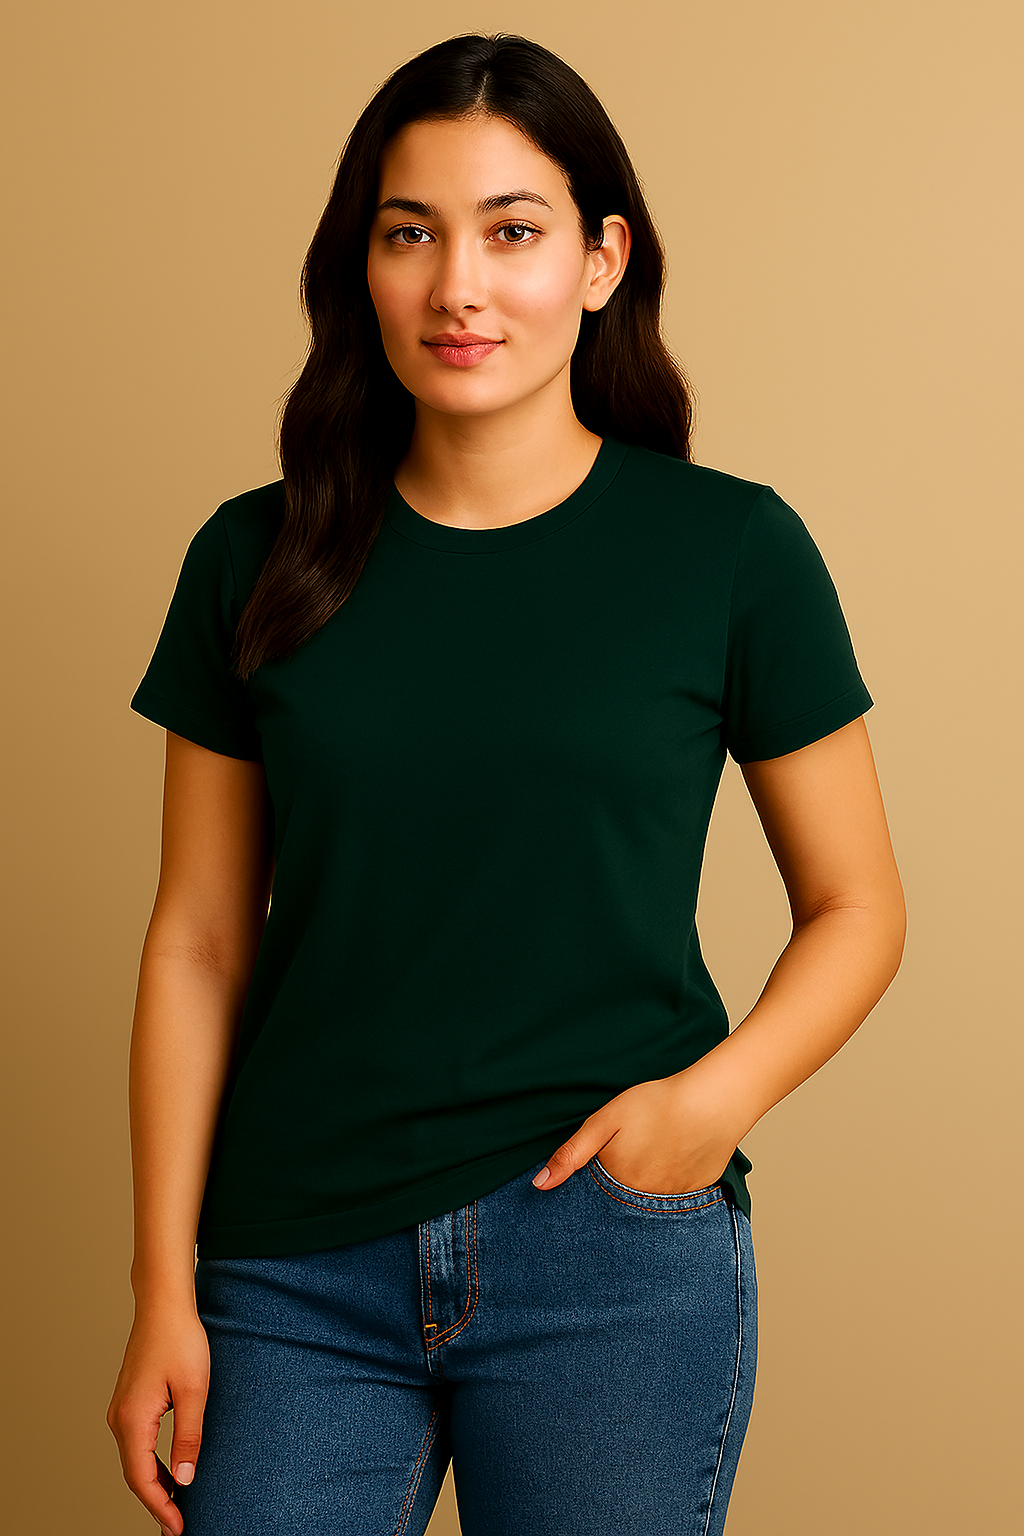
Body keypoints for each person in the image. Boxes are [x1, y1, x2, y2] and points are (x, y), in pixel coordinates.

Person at [105, 31, 906, 1536]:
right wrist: (163, 1280)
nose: (457, 286)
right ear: (364, 264)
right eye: (410, 235)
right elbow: (197, 940)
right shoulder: (251, 557)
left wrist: (707, 1108)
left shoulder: (727, 551)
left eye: (513, 231)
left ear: (602, 261)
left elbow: (860, 906)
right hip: (289, 1267)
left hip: (609, 1253)